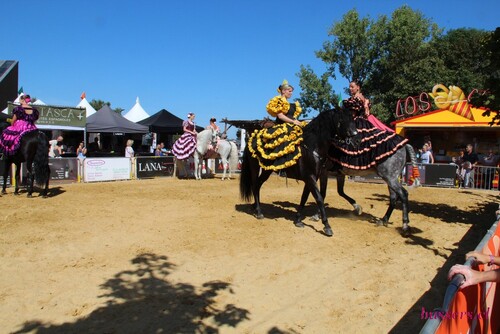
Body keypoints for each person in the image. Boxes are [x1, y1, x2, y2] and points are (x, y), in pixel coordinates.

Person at [329, 80, 409, 170]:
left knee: (343, 140)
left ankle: (340, 164)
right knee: (365, 144)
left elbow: (352, 114)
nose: (350, 89)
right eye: (350, 87)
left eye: (352, 87)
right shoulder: (364, 99)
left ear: (358, 87)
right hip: (364, 121)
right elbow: (367, 113)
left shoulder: (356, 99)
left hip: (356, 122)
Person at [246, 80, 304, 171]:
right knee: (284, 142)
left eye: (292, 91)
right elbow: (280, 116)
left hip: (291, 124)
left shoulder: (292, 105)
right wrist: (293, 122)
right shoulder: (278, 101)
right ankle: (282, 167)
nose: (291, 93)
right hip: (282, 125)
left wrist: (298, 122)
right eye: (289, 91)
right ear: (283, 91)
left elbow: (292, 117)